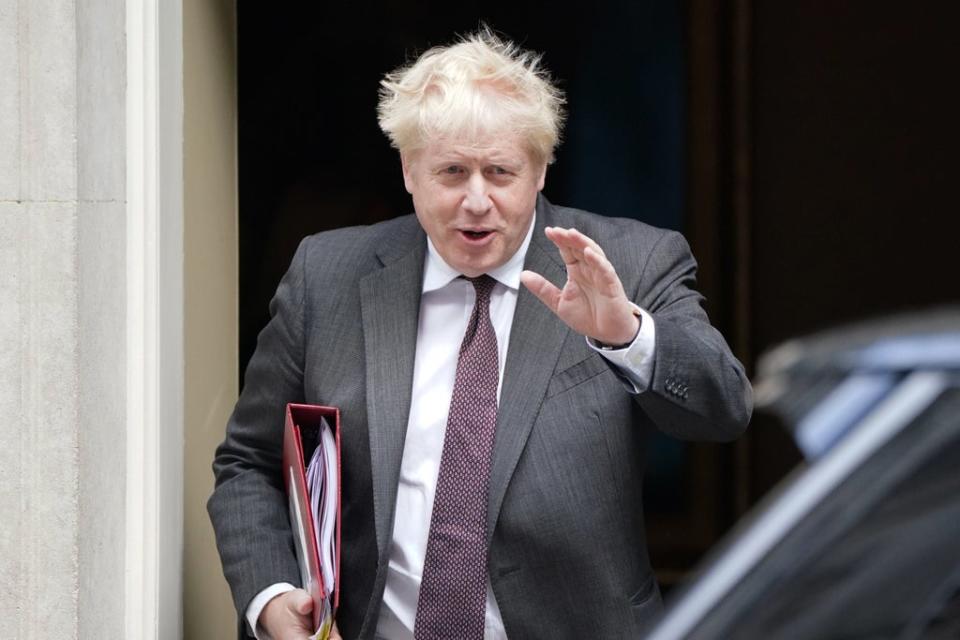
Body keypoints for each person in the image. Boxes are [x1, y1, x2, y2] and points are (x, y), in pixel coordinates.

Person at [209, 28, 752, 640]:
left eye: (500, 172)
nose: (476, 200)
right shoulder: (328, 277)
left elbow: (723, 410)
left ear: (541, 170)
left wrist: (627, 336)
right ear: (409, 169)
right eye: (451, 171)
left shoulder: (628, 261)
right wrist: (271, 594)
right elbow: (249, 462)